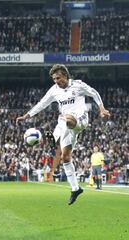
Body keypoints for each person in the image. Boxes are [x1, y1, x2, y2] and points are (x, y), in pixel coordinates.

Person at [17, 64, 111, 205]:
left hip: (80, 120)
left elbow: (94, 93)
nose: (56, 81)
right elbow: (42, 103)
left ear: (65, 76)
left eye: (58, 78)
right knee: (65, 157)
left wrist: (102, 108)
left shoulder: (78, 85)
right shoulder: (54, 90)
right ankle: (75, 188)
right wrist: (27, 115)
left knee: (64, 118)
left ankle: (53, 139)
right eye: (54, 79)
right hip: (67, 127)